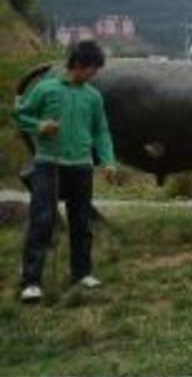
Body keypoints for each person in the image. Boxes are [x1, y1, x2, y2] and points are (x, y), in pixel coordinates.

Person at [13, 40, 117, 303]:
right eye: (93, 69)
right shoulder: (45, 89)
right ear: (80, 65)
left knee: (81, 221)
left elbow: (101, 131)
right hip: (48, 163)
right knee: (42, 220)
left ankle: (82, 273)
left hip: (81, 166)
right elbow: (20, 115)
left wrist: (108, 161)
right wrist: (40, 125)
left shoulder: (93, 96)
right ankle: (31, 281)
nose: (95, 74)